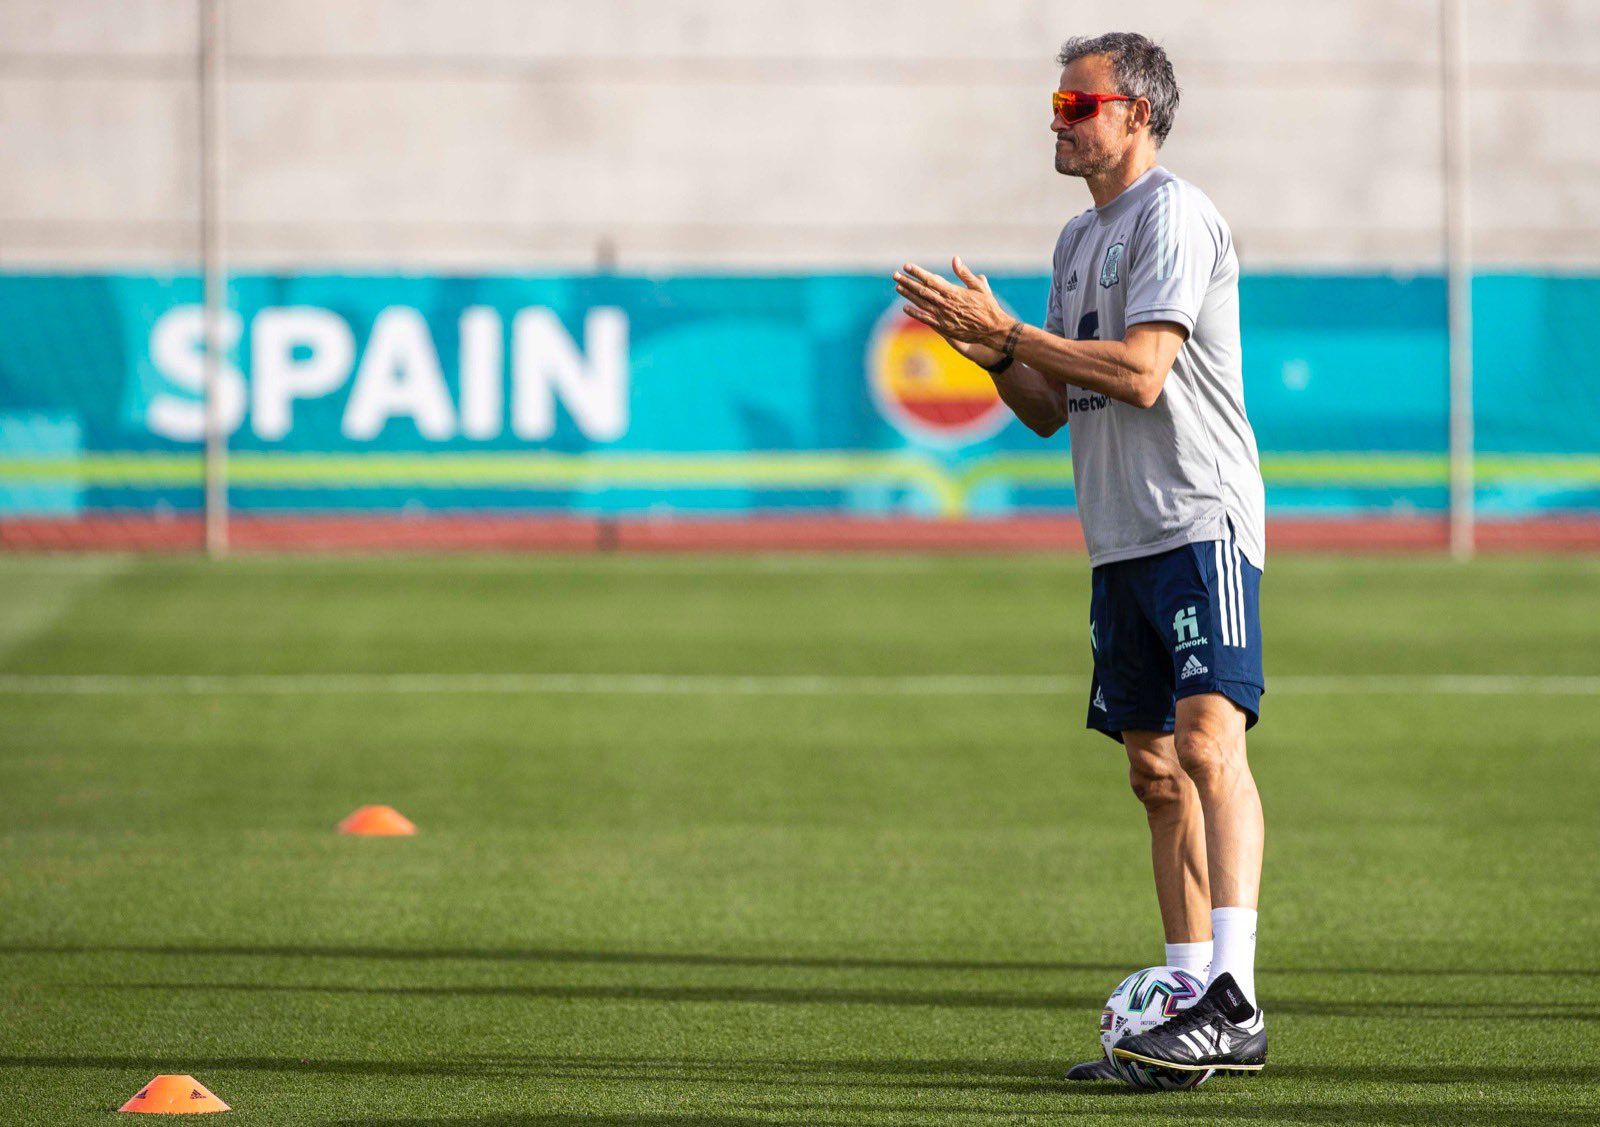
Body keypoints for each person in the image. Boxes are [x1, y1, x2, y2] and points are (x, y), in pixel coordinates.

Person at [893, 31, 1268, 1078]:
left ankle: (1234, 997)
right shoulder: (1075, 241)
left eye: (1076, 102)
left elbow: (1144, 371)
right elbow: (1052, 410)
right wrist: (992, 354)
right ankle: (1185, 1001)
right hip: (1118, 538)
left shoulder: (1173, 215)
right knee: (1154, 774)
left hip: (1197, 518)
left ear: (1137, 113)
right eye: (1058, 103)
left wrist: (1013, 330)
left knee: (1206, 746)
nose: (1057, 119)